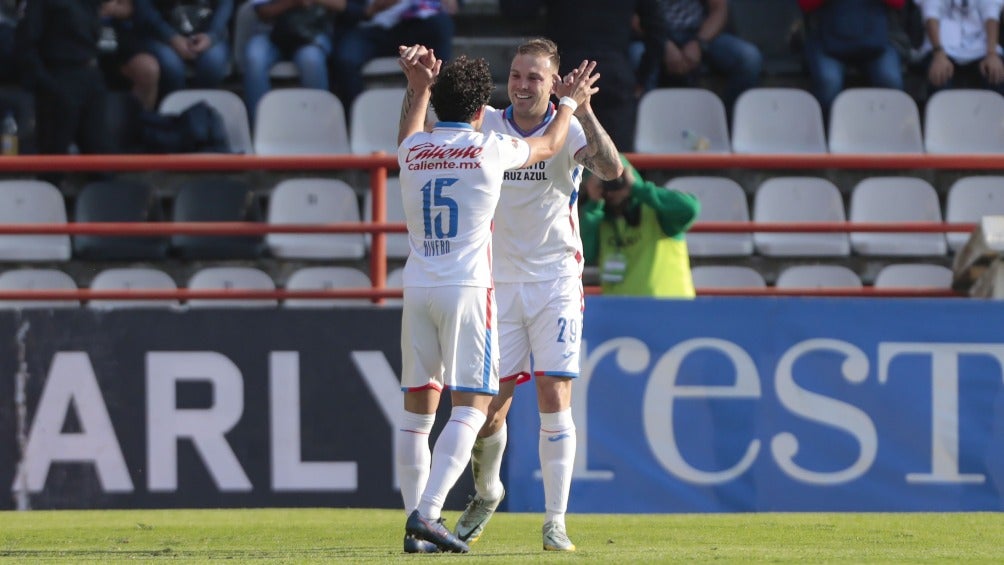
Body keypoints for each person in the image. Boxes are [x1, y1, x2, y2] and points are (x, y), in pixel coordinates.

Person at [394, 43, 596, 553]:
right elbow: (550, 147)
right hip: (470, 289)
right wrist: (571, 104)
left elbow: (409, 130)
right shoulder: (490, 147)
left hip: (417, 285)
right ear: (482, 109)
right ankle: (430, 513)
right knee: (474, 408)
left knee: (417, 415)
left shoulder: (412, 150)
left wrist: (416, 88)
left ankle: (415, 526)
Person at [452, 37, 623, 553]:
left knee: (555, 394)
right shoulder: (487, 123)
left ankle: (555, 521)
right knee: (488, 411)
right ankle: (487, 492)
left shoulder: (568, 125)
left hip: (555, 281)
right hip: (497, 282)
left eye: (534, 77)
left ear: (554, 85)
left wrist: (586, 112)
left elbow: (612, 171)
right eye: (517, 75)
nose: (523, 85)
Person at [499, 0, 670, 152]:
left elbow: (516, 10)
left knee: (556, 163)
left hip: (566, 81)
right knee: (616, 173)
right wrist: (643, 78)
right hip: (612, 78)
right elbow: (658, 29)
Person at [580, 155, 700, 297]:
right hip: (620, 314)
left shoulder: (658, 211)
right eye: (604, 181)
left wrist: (637, 188)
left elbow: (690, 208)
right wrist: (594, 203)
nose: (612, 189)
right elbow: (585, 253)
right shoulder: (597, 217)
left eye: (615, 178)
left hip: (670, 312)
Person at [15, 0, 113, 155]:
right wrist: (48, 84)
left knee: (99, 153)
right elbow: (25, 45)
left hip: (91, 75)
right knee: (54, 156)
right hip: (60, 75)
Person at [332, 0, 457, 115]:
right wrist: (367, 10)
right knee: (346, 58)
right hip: (369, 27)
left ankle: (442, 115)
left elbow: (451, 6)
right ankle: (358, 119)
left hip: (416, 23)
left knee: (441, 26)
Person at [645, 0, 762, 108]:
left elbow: (719, 9)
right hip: (652, 34)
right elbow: (634, 16)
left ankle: (727, 122)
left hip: (698, 32)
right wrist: (663, 43)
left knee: (749, 57)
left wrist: (699, 42)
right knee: (636, 57)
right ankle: (644, 123)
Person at [799, 0, 906, 115]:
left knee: (890, 79)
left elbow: (899, 3)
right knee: (829, 82)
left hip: (877, 41)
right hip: (827, 42)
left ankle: (888, 129)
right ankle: (827, 130)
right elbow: (805, 4)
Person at [242, 0, 341, 122]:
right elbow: (263, 12)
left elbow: (341, 5)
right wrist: (293, 2)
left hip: (310, 33)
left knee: (311, 60)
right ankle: (260, 126)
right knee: (255, 57)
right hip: (270, 33)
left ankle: (318, 125)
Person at [134, 0, 233, 96]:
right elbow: (145, 11)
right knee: (171, 65)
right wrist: (171, 37)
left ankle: (203, 107)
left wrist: (210, 36)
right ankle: (174, 107)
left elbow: (225, 4)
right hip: (162, 36)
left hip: (207, 33)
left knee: (213, 60)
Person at [917, 0, 1004, 95]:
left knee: (996, 73)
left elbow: (991, 11)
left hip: (981, 47)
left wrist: (992, 54)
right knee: (939, 76)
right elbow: (931, 12)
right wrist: (938, 55)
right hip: (941, 47)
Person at [99, 0, 161, 111]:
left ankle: (142, 123)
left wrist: (108, 9)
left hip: (115, 30)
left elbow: (126, 8)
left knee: (147, 68)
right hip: (73, 31)